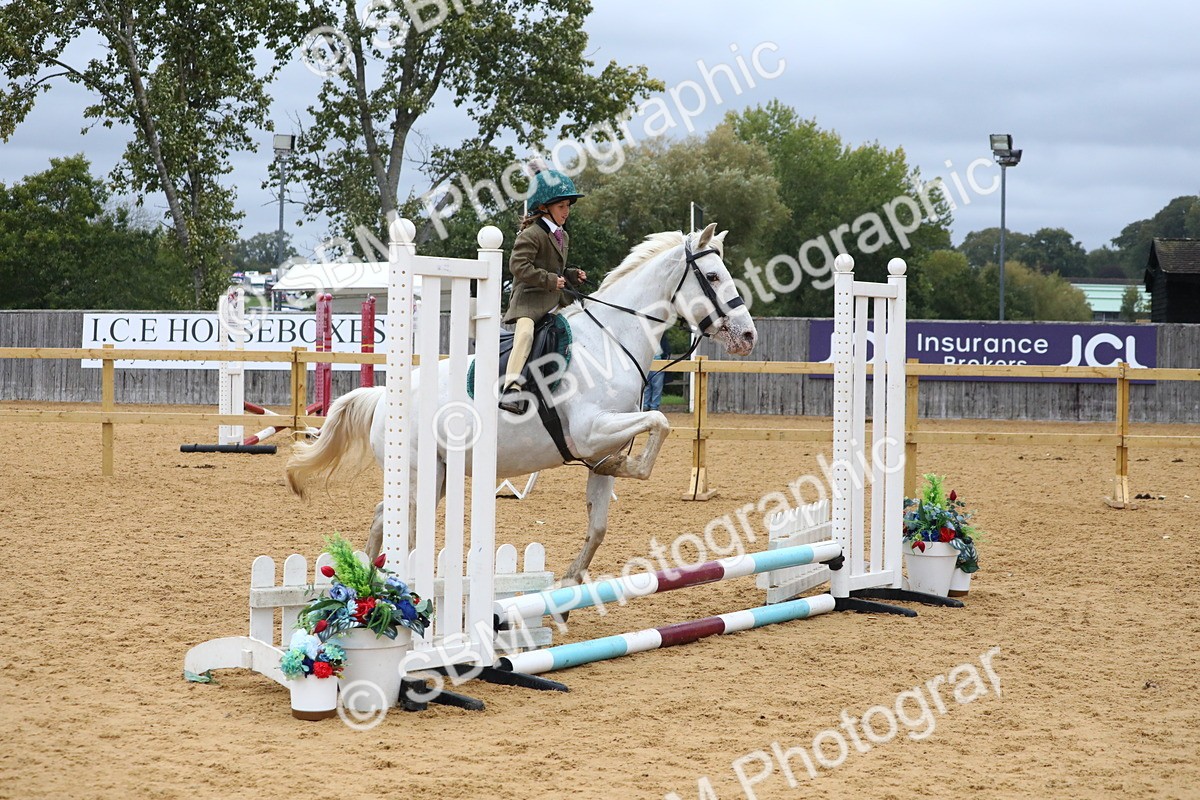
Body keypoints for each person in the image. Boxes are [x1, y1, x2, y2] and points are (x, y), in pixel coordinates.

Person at [499, 163, 587, 414]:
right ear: (544, 208)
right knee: (525, 335)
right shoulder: (531, 234)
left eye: (568, 206)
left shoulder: (563, 235)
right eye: (561, 206)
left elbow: (555, 270)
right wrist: (550, 280)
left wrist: (571, 275)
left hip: (552, 301)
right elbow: (518, 266)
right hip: (528, 301)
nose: (566, 211)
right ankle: (511, 387)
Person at [642, 333, 670, 411]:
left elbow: (666, 347)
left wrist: (666, 356)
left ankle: (654, 406)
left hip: (658, 360)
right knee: (646, 385)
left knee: (657, 386)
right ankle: (645, 405)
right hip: (647, 360)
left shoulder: (661, 334)